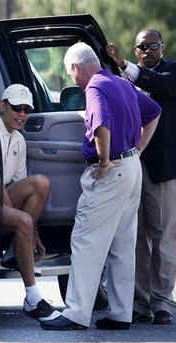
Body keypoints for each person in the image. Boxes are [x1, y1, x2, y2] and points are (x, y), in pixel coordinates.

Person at [40, 42, 161, 330]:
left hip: (112, 171)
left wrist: (104, 160)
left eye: (70, 73)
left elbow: (100, 125)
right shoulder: (119, 82)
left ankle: (76, 313)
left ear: (75, 68)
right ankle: (121, 314)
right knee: (122, 245)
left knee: (85, 241)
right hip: (132, 167)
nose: (71, 79)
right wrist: (138, 150)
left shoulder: (94, 87)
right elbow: (154, 112)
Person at [106, 28, 176, 324]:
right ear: (135, 51)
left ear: (162, 47)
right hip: (129, 164)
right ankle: (139, 302)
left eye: (153, 46)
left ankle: (162, 303)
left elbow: (158, 85)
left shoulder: (170, 71)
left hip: (162, 166)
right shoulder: (121, 77)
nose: (147, 51)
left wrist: (123, 66)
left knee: (164, 237)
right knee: (134, 238)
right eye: (141, 47)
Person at [0, 85, 60, 322]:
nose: (23, 114)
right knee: (23, 221)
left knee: (41, 183)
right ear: (3, 106)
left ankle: (18, 248)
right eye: (17, 108)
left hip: (0, 196)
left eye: (27, 109)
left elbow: (16, 184)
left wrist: (31, 230)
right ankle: (33, 298)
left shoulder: (18, 139)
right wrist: (25, 225)